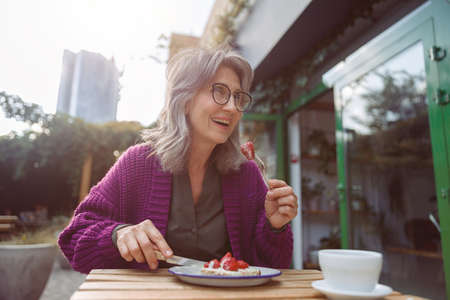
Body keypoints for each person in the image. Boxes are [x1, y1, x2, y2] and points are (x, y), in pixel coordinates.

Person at [58, 46, 298, 274]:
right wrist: (118, 234)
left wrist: (275, 227)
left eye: (238, 97)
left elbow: (272, 267)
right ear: (185, 100)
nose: (233, 107)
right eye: (220, 92)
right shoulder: (138, 163)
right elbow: (74, 238)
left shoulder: (246, 173)